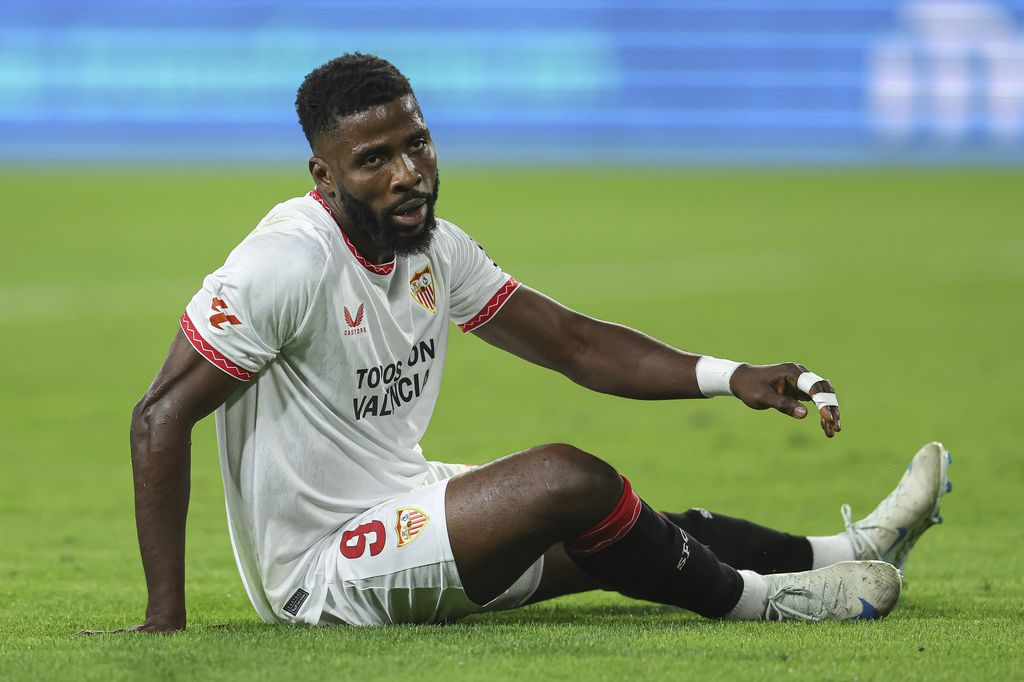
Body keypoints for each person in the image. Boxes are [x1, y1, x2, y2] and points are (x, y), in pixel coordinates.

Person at [115, 54, 952, 633]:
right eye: (374, 160)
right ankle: (768, 604)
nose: (409, 173)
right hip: (322, 571)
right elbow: (159, 416)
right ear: (323, 176)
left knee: (633, 532)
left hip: (399, 502)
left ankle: (850, 549)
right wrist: (165, 619)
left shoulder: (433, 248)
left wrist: (729, 375)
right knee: (566, 480)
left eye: (416, 143)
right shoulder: (285, 264)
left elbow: (574, 344)